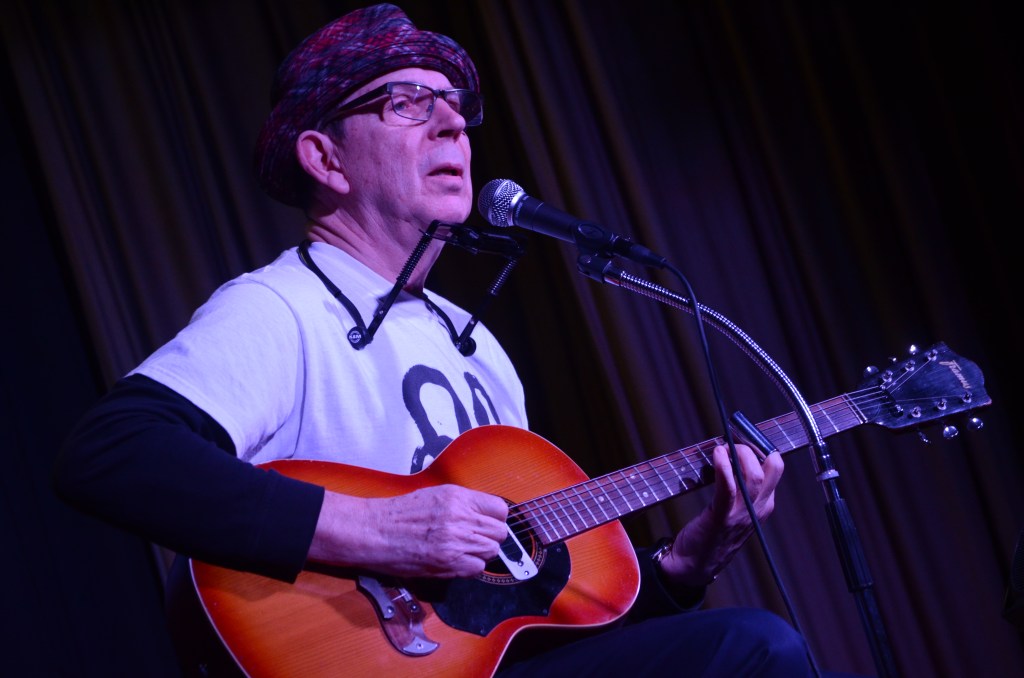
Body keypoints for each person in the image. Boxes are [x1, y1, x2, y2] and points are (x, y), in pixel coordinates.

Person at [54, 4, 818, 676]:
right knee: (756, 649)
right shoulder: (280, 308)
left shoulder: (481, 351)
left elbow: (523, 623)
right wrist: (379, 530)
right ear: (325, 158)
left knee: (767, 656)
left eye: (454, 105)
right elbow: (111, 453)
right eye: (408, 103)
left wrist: (684, 566)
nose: (453, 123)